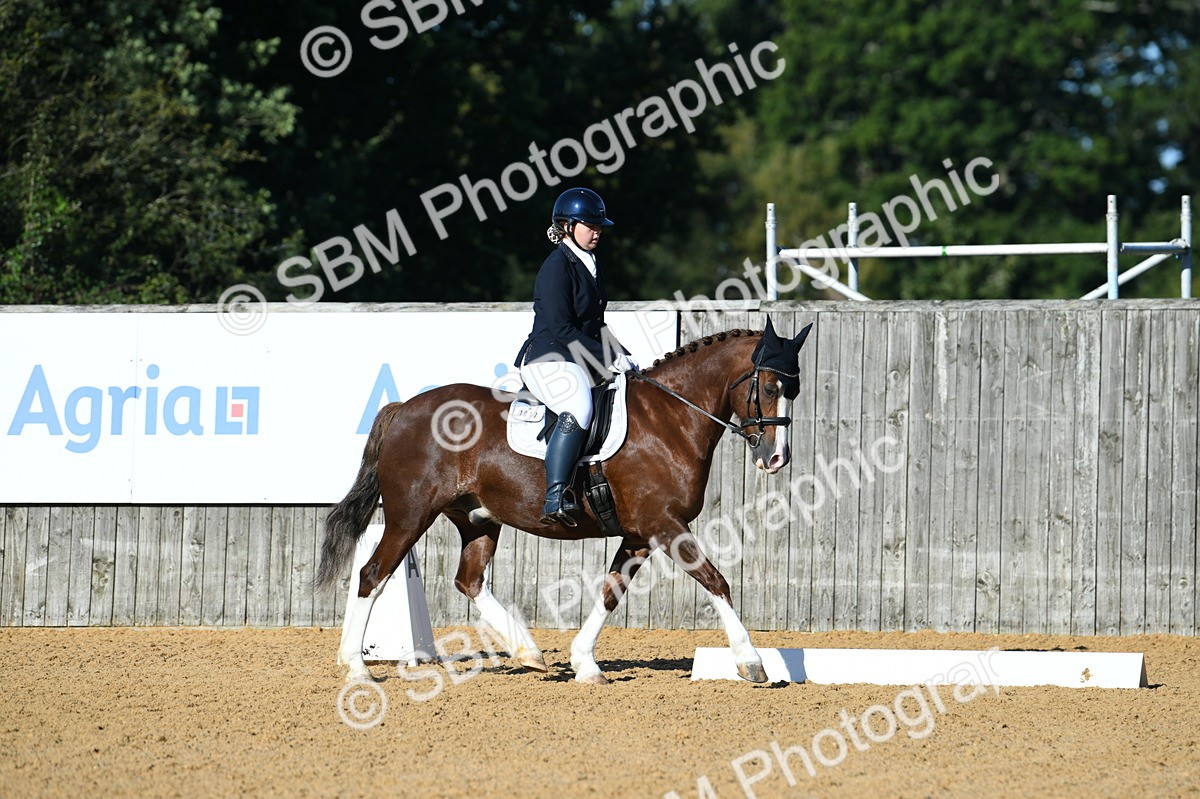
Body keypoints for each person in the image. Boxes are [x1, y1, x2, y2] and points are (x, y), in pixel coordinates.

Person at [513, 187, 639, 527]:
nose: (597, 232)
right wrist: (605, 358)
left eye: (600, 226)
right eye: (589, 225)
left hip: (575, 357)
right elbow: (561, 329)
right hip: (547, 358)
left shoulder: (590, 264)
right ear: (567, 226)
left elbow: (596, 325)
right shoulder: (557, 267)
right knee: (579, 406)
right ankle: (555, 494)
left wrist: (623, 355)